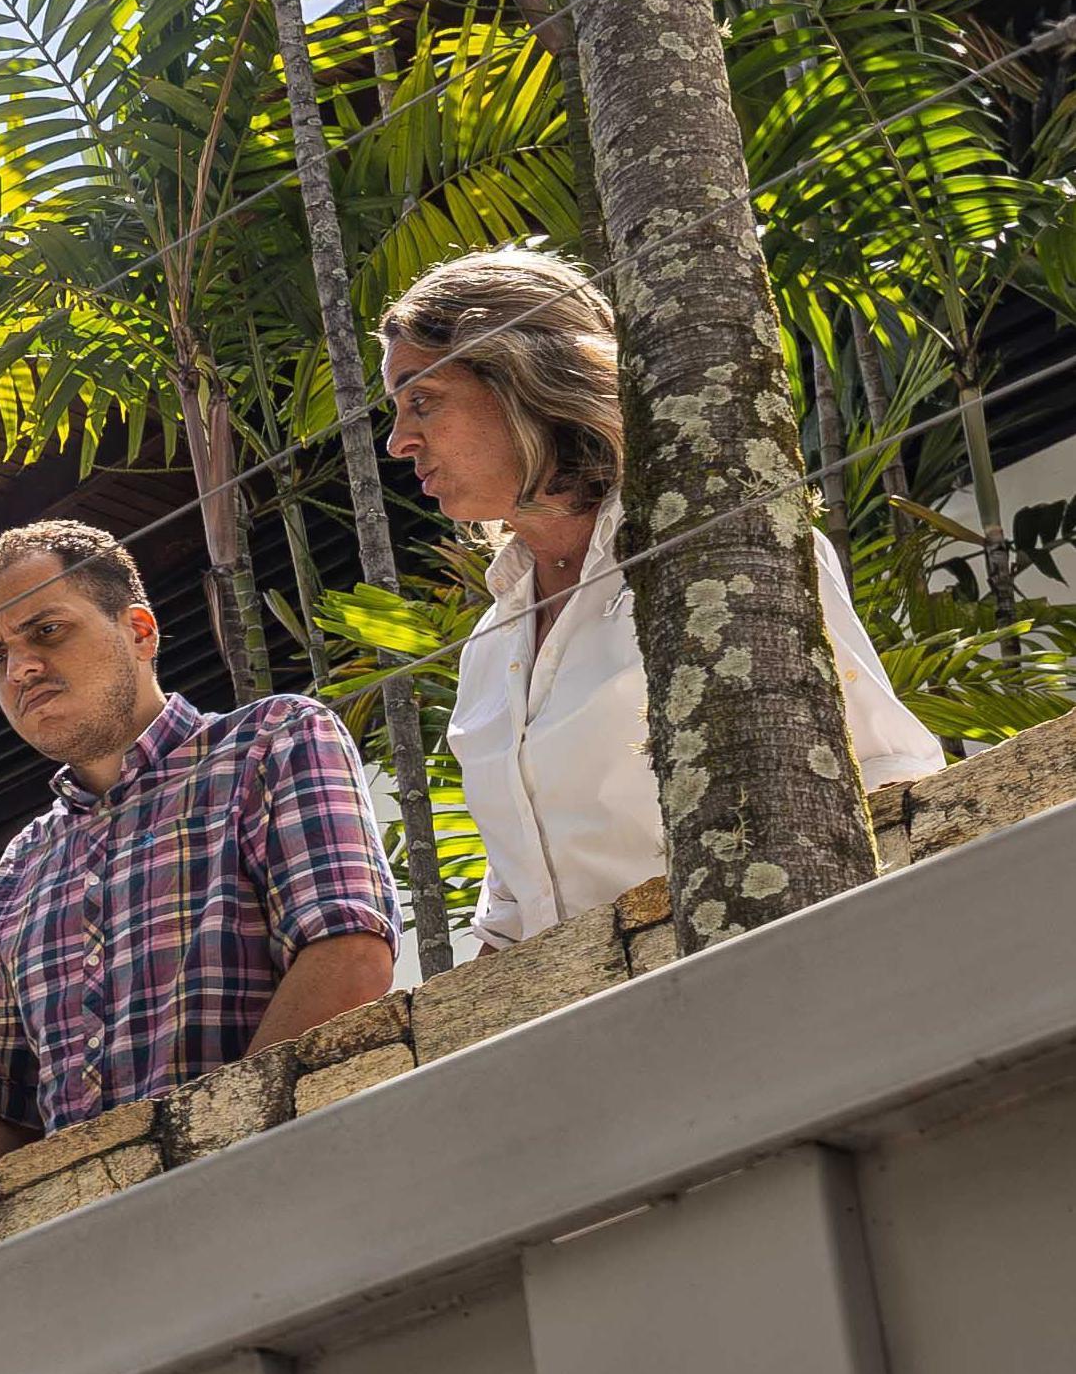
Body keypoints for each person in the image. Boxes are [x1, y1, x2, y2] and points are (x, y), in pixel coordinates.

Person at [379, 248, 942, 952]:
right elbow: (515, 913)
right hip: (599, 1041)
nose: (399, 440)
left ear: (519, 377)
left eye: (421, 400)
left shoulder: (725, 548)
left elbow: (886, 774)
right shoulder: (490, 646)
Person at [0, 521, 398, 1177]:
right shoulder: (20, 868)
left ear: (138, 631)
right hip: (91, 1252)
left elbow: (348, 955)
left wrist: (212, 1165)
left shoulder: (272, 741)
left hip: (291, 1186)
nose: (20, 669)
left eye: (45, 630)